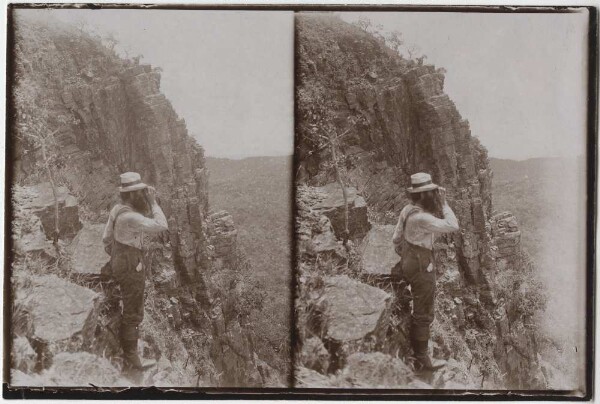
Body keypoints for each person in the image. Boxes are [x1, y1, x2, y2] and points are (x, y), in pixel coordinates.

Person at [102, 172, 168, 382]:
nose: (142, 194)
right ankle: (131, 358)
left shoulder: (117, 209)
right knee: (134, 306)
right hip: (131, 263)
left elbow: (106, 238)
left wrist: (117, 254)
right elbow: (161, 226)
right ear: (131, 195)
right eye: (139, 192)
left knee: (130, 301)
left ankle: (129, 350)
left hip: (120, 256)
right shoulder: (130, 216)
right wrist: (153, 202)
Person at [392, 172, 459, 372]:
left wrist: (406, 253)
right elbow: (453, 225)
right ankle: (422, 357)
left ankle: (418, 350)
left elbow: (396, 238)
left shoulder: (408, 210)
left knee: (420, 302)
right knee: (424, 308)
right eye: (431, 193)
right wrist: (445, 204)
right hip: (422, 264)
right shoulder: (422, 217)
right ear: (423, 195)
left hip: (409, 258)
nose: (434, 196)